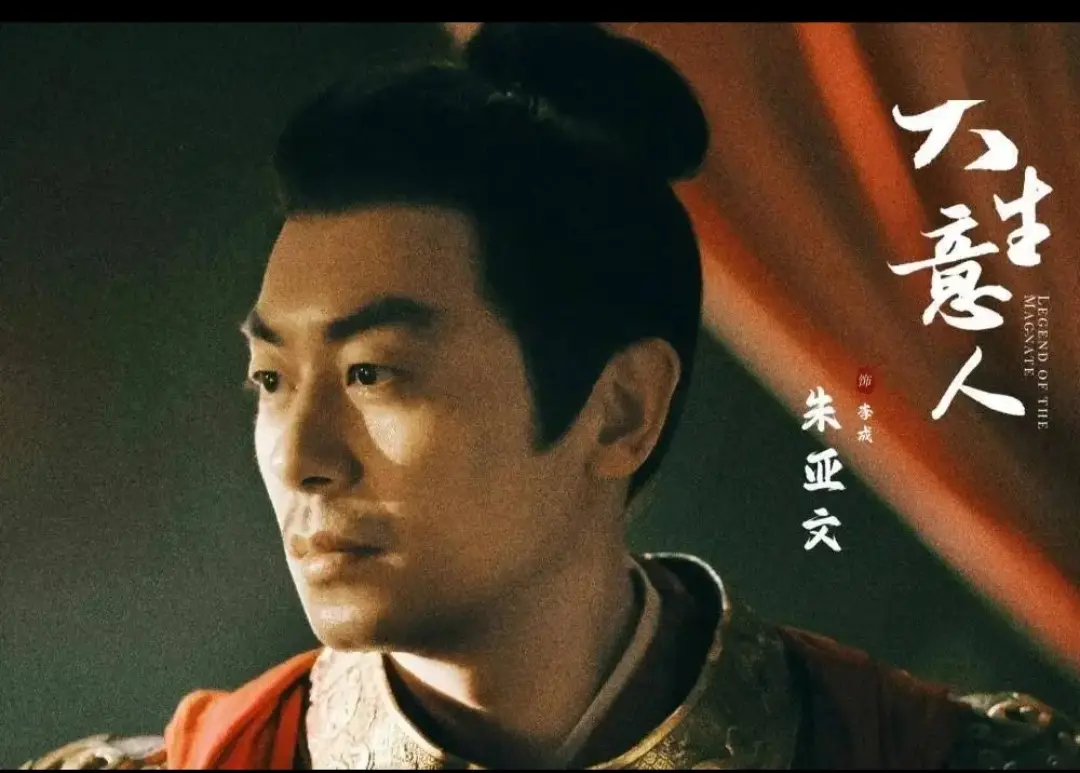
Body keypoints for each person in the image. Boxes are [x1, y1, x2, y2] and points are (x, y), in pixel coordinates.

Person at [21, 22, 1078, 771]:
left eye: (372, 372)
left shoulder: (920, 752)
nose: (301, 456)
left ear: (621, 409)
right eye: (270, 378)